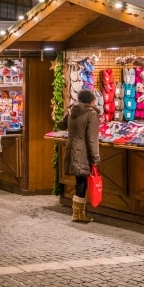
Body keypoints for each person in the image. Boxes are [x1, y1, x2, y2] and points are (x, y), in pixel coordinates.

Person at [60, 88, 101, 224]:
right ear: (92, 101)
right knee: (81, 183)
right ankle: (78, 214)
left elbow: (61, 125)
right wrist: (95, 158)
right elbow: (92, 138)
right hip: (83, 152)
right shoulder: (91, 114)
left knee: (80, 181)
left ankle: (78, 213)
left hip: (72, 150)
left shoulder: (72, 110)